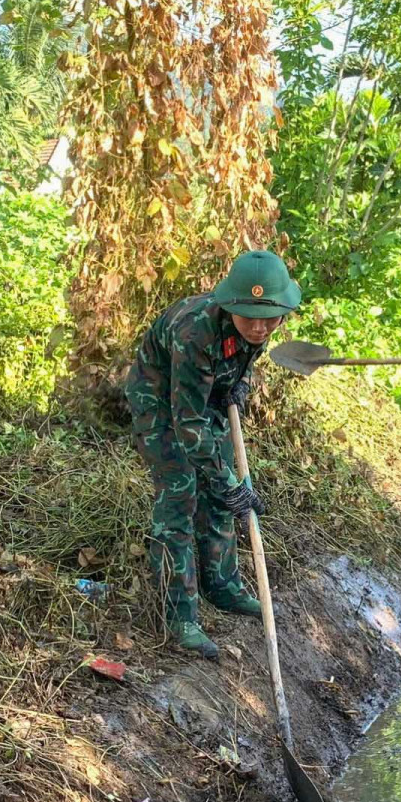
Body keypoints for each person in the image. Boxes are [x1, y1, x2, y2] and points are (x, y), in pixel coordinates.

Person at [125, 249, 302, 659]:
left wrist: (237, 383)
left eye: (269, 317)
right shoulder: (195, 333)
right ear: (230, 307)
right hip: (160, 403)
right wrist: (227, 481)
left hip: (201, 399)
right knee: (180, 497)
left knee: (221, 498)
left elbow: (234, 363)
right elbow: (186, 423)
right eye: (249, 317)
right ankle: (181, 615)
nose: (259, 327)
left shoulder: (258, 326)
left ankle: (222, 585)